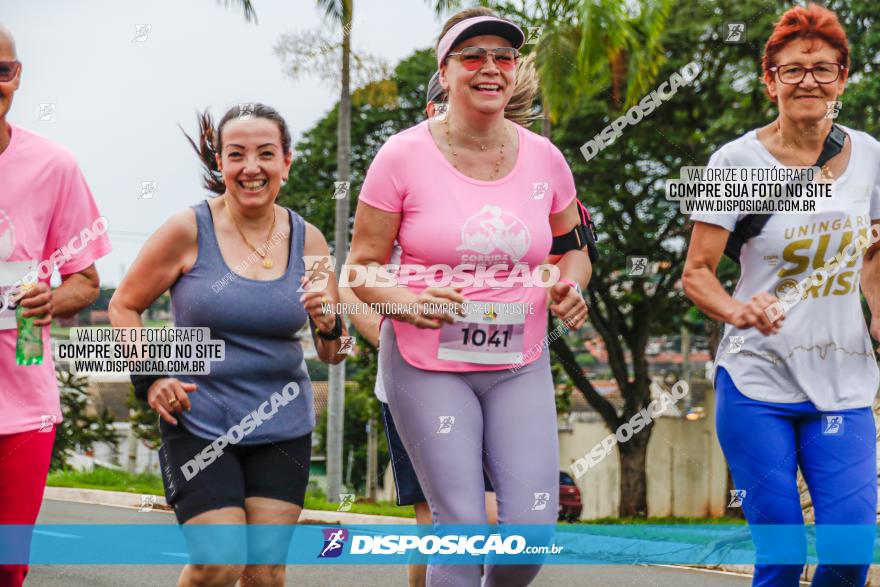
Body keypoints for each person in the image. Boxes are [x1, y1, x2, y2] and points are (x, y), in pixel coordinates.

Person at [346, 8, 591, 586]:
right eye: (472, 56)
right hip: (427, 363)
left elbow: (571, 251)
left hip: (517, 360)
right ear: (446, 70)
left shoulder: (545, 159)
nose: (490, 68)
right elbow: (358, 271)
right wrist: (405, 301)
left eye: (502, 57)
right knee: (459, 527)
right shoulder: (401, 156)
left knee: (530, 537)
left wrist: (568, 284)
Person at [109, 103, 347, 587]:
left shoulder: (311, 240)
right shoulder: (186, 230)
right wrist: (152, 377)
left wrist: (327, 322)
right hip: (200, 419)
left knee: (263, 573)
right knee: (218, 563)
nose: (251, 167)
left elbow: (333, 352)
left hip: (282, 423)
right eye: (237, 154)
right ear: (220, 163)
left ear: (286, 162)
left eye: (265, 154)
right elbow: (123, 305)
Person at [683, 5, 880, 586]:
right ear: (769, 80)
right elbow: (696, 273)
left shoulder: (870, 157)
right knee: (783, 557)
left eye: (823, 69)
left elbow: (873, 254)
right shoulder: (736, 162)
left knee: (848, 558)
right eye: (792, 70)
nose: (808, 82)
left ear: (843, 78)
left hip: (844, 383)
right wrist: (738, 309)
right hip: (756, 383)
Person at [0, 23, 111, 587]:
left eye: (2, 70)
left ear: (17, 77)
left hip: (24, 401)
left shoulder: (54, 166)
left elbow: (87, 281)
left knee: (8, 564)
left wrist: (51, 297)